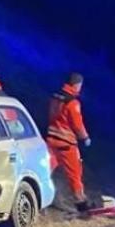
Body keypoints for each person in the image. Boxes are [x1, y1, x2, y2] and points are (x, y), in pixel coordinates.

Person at [46, 73, 92, 213]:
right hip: (66, 144)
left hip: (51, 140)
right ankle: (81, 204)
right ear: (77, 85)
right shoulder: (73, 103)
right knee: (75, 174)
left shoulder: (55, 97)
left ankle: (42, 200)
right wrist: (85, 137)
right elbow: (77, 125)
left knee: (45, 171)